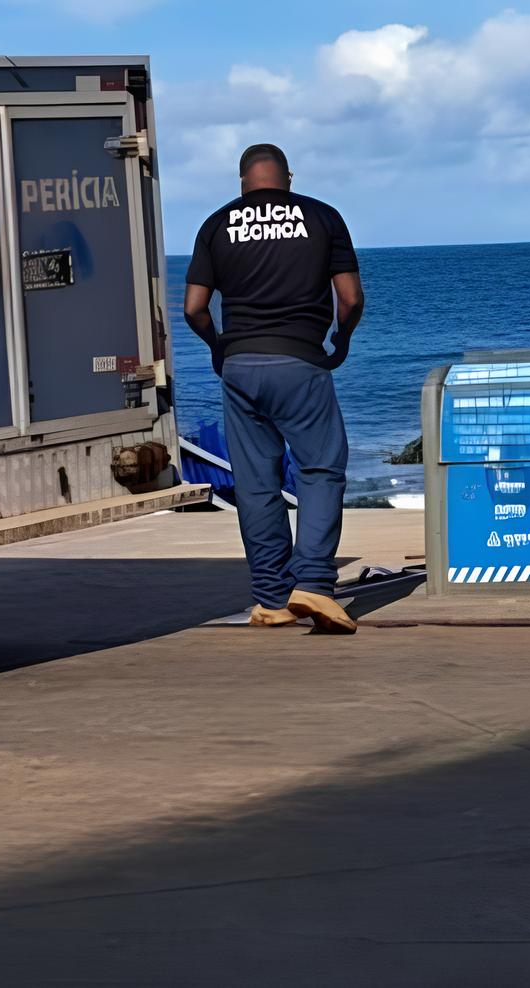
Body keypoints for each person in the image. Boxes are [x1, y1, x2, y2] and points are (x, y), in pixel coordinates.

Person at [183, 144, 364, 633]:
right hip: (300, 363)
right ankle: (314, 585)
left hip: (241, 367)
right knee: (321, 469)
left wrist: (219, 347)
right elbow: (349, 298)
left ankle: (271, 598)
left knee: (258, 484)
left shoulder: (217, 224)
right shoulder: (323, 217)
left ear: (242, 181)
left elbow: (194, 308)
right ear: (288, 177)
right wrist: (340, 339)